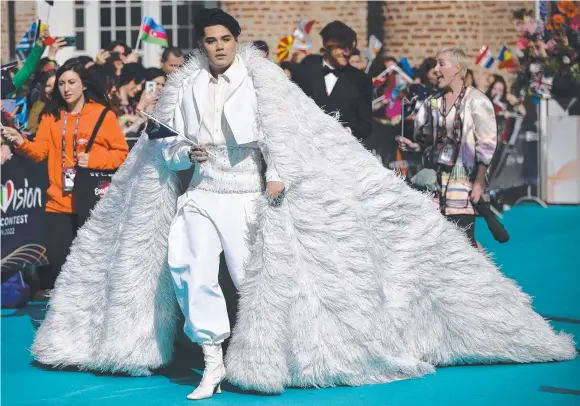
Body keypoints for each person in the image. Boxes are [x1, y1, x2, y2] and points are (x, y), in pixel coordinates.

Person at [31, 12, 575, 403]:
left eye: (224, 39)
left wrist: (279, 176)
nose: (217, 47)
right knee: (187, 268)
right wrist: (182, 151)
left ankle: (270, 353)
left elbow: (287, 136)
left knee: (252, 276)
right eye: (209, 40)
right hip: (201, 189)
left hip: (245, 190)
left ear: (236, 41)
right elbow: (163, 146)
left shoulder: (262, 81)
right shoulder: (186, 85)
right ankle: (214, 359)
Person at [1, 60, 128, 293]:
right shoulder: (51, 116)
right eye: (61, 83)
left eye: (71, 82)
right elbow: (39, 153)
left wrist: (95, 160)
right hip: (58, 204)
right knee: (59, 265)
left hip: (91, 202)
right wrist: (20, 142)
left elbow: (122, 153)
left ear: (84, 85)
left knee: (92, 267)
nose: (66, 88)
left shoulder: (102, 115)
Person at [398, 48, 497, 246]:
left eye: (441, 64)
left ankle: (483, 275)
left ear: (457, 69)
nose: (436, 69)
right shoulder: (431, 103)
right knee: (432, 243)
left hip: (463, 187)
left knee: (464, 244)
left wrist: (479, 181)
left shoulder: (477, 101)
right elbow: (424, 140)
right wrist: (414, 146)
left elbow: (486, 145)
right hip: (433, 185)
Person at [292, 21, 373, 141]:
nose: (347, 52)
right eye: (341, 47)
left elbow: (366, 125)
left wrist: (350, 130)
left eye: (349, 47)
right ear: (326, 44)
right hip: (306, 146)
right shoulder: (308, 67)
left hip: (342, 150)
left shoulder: (361, 80)